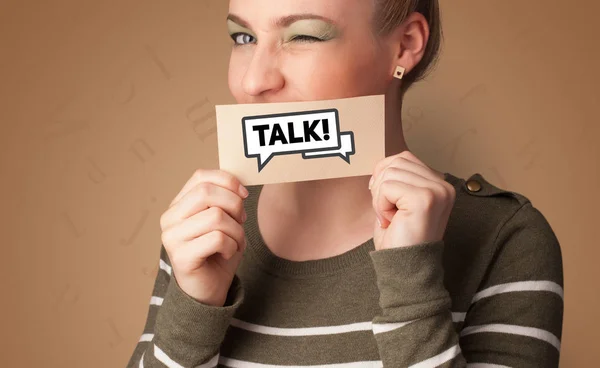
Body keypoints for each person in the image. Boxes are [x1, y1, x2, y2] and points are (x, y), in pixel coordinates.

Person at [127, 0, 564, 367]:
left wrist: (412, 283)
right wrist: (194, 309)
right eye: (243, 38)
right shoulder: (206, 228)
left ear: (405, 45)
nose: (253, 81)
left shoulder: (506, 238)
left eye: (304, 36)